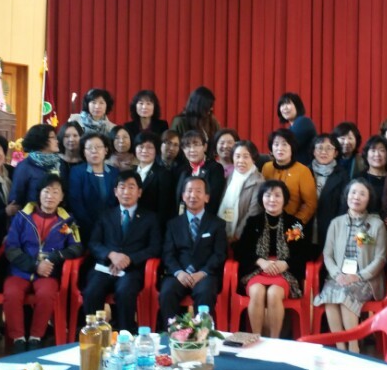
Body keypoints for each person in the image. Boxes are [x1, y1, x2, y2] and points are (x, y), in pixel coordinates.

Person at [3, 174, 82, 353]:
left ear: (62, 197)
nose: (50, 196)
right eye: (46, 191)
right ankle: (18, 339)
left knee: (46, 294)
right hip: (21, 270)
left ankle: (36, 337)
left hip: (49, 272)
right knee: (12, 293)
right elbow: (11, 248)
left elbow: (77, 247)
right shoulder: (22, 216)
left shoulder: (68, 219)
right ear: (39, 194)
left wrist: (55, 257)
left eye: (55, 192)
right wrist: (34, 265)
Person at [313, 179, 387, 353]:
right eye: (353, 192)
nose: (356, 197)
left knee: (345, 294)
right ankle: (341, 348)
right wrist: (336, 274)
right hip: (339, 276)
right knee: (330, 297)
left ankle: (353, 348)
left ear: (369, 199)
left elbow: (380, 258)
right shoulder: (336, 223)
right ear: (347, 196)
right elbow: (327, 254)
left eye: (362, 194)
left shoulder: (376, 224)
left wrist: (358, 276)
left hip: (366, 279)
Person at [84, 171, 161, 332]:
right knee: (91, 291)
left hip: (132, 270)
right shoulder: (105, 215)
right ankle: (94, 333)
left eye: (131, 187)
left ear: (139, 192)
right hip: (105, 267)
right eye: (122, 187)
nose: (126, 192)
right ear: (115, 191)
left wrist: (129, 259)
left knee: (125, 291)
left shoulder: (150, 218)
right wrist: (111, 255)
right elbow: (94, 243)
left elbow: (155, 247)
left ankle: (126, 333)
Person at [235, 180, 307, 337]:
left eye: (277, 195)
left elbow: (302, 253)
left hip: (284, 273)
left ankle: (274, 341)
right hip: (257, 270)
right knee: (257, 291)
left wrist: (285, 264)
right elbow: (242, 250)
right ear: (261, 198)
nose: (272, 200)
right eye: (267, 195)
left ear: (284, 199)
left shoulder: (294, 224)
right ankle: (255, 337)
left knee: (274, 294)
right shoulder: (253, 221)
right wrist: (261, 262)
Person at [158, 176, 228, 324]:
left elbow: (219, 254)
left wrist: (202, 273)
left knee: (205, 292)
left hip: (205, 274)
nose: (193, 195)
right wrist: (179, 272)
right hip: (179, 274)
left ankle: (203, 333)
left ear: (207, 197)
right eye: (189, 191)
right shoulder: (173, 224)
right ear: (183, 196)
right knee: (167, 292)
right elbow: (168, 254)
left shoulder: (217, 224)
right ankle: (173, 332)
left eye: (198, 191)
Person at [261, 129, 318, 226]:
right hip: (267, 223)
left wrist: (295, 223)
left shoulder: (302, 171)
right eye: (276, 144)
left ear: (292, 147)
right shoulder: (266, 168)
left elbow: (310, 204)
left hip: (293, 225)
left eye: (284, 144)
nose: (280, 148)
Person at [68, 132, 118, 232]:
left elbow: (117, 202)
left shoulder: (114, 173)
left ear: (106, 150)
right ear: (84, 152)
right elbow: (76, 203)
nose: (94, 151)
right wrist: (94, 227)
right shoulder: (77, 172)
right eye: (89, 148)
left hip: (111, 227)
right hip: (86, 228)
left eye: (98, 147)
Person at [310, 134, 351, 251]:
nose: (324, 152)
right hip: (306, 229)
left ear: (336, 153)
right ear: (314, 151)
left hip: (331, 229)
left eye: (329, 148)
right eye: (320, 148)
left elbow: (344, 206)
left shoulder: (343, 175)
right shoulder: (304, 171)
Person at [219, 140, 264, 242]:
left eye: (246, 156)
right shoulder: (231, 176)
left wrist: (237, 235)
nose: (241, 160)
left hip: (242, 237)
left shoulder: (258, 182)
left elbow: (253, 212)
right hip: (222, 231)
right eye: (237, 156)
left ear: (253, 159)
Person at [175, 130, 226, 215]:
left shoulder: (215, 168)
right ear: (183, 149)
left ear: (205, 147)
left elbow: (214, 200)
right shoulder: (181, 170)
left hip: (207, 218)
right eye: (187, 146)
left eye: (196, 145)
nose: (192, 150)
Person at [133, 131, 176, 231]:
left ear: (156, 150)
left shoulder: (164, 174)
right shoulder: (131, 172)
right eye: (141, 146)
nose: (144, 150)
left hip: (152, 228)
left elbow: (164, 209)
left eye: (149, 147)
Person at [10, 124, 61, 207]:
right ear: (41, 140)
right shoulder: (25, 166)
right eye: (53, 138)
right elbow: (16, 199)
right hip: (32, 213)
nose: (57, 141)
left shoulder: (59, 163)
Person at [277, 93, 317, 166]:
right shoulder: (290, 128)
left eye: (288, 103)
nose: (285, 108)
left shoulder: (303, 121)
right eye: (282, 105)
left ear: (297, 106)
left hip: (305, 168)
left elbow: (289, 144)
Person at [356, 135, 387, 211]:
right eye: (373, 150)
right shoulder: (359, 179)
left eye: (382, 150)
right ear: (366, 154)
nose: (377, 154)